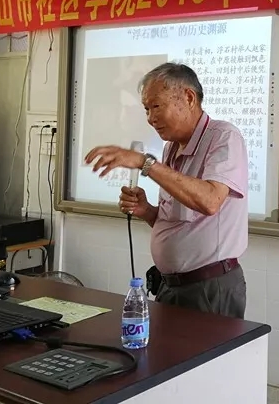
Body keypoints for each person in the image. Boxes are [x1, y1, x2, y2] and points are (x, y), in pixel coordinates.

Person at [85, 62, 249, 319]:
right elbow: (179, 221)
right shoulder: (171, 147)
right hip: (170, 285)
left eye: (157, 106)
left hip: (208, 288)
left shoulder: (224, 137)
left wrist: (145, 163)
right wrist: (147, 211)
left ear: (189, 98)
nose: (150, 118)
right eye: (146, 109)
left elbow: (210, 201)